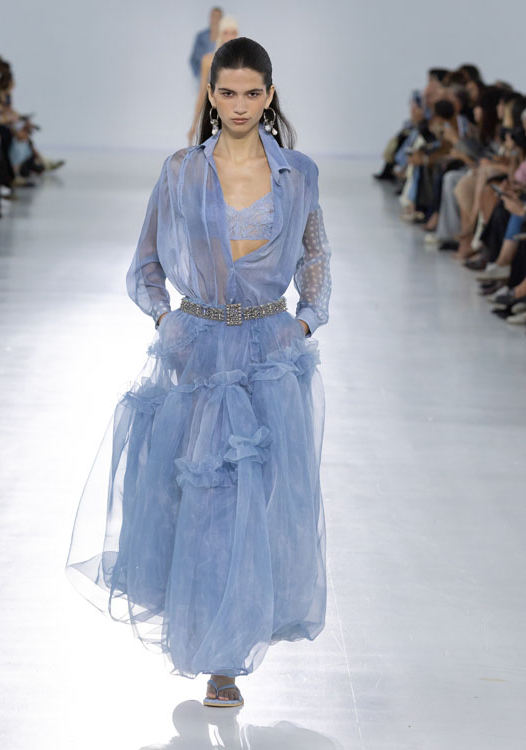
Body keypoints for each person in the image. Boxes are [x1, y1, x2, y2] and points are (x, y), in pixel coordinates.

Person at [65, 37, 332, 709]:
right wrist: (166, 321)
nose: (240, 105)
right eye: (227, 92)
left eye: (252, 93)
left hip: (271, 357)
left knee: (261, 505)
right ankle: (219, 659)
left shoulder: (298, 172)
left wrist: (307, 320)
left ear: (269, 95)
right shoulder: (182, 170)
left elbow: (315, 253)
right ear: (210, 96)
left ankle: (230, 643)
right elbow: (145, 262)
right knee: (204, 501)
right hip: (198, 352)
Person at [187, 15, 238, 146]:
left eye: (233, 32)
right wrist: (194, 125)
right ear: (220, 34)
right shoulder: (208, 60)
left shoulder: (243, 62)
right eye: (226, 32)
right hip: (214, 114)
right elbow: (202, 93)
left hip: (236, 114)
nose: (230, 36)